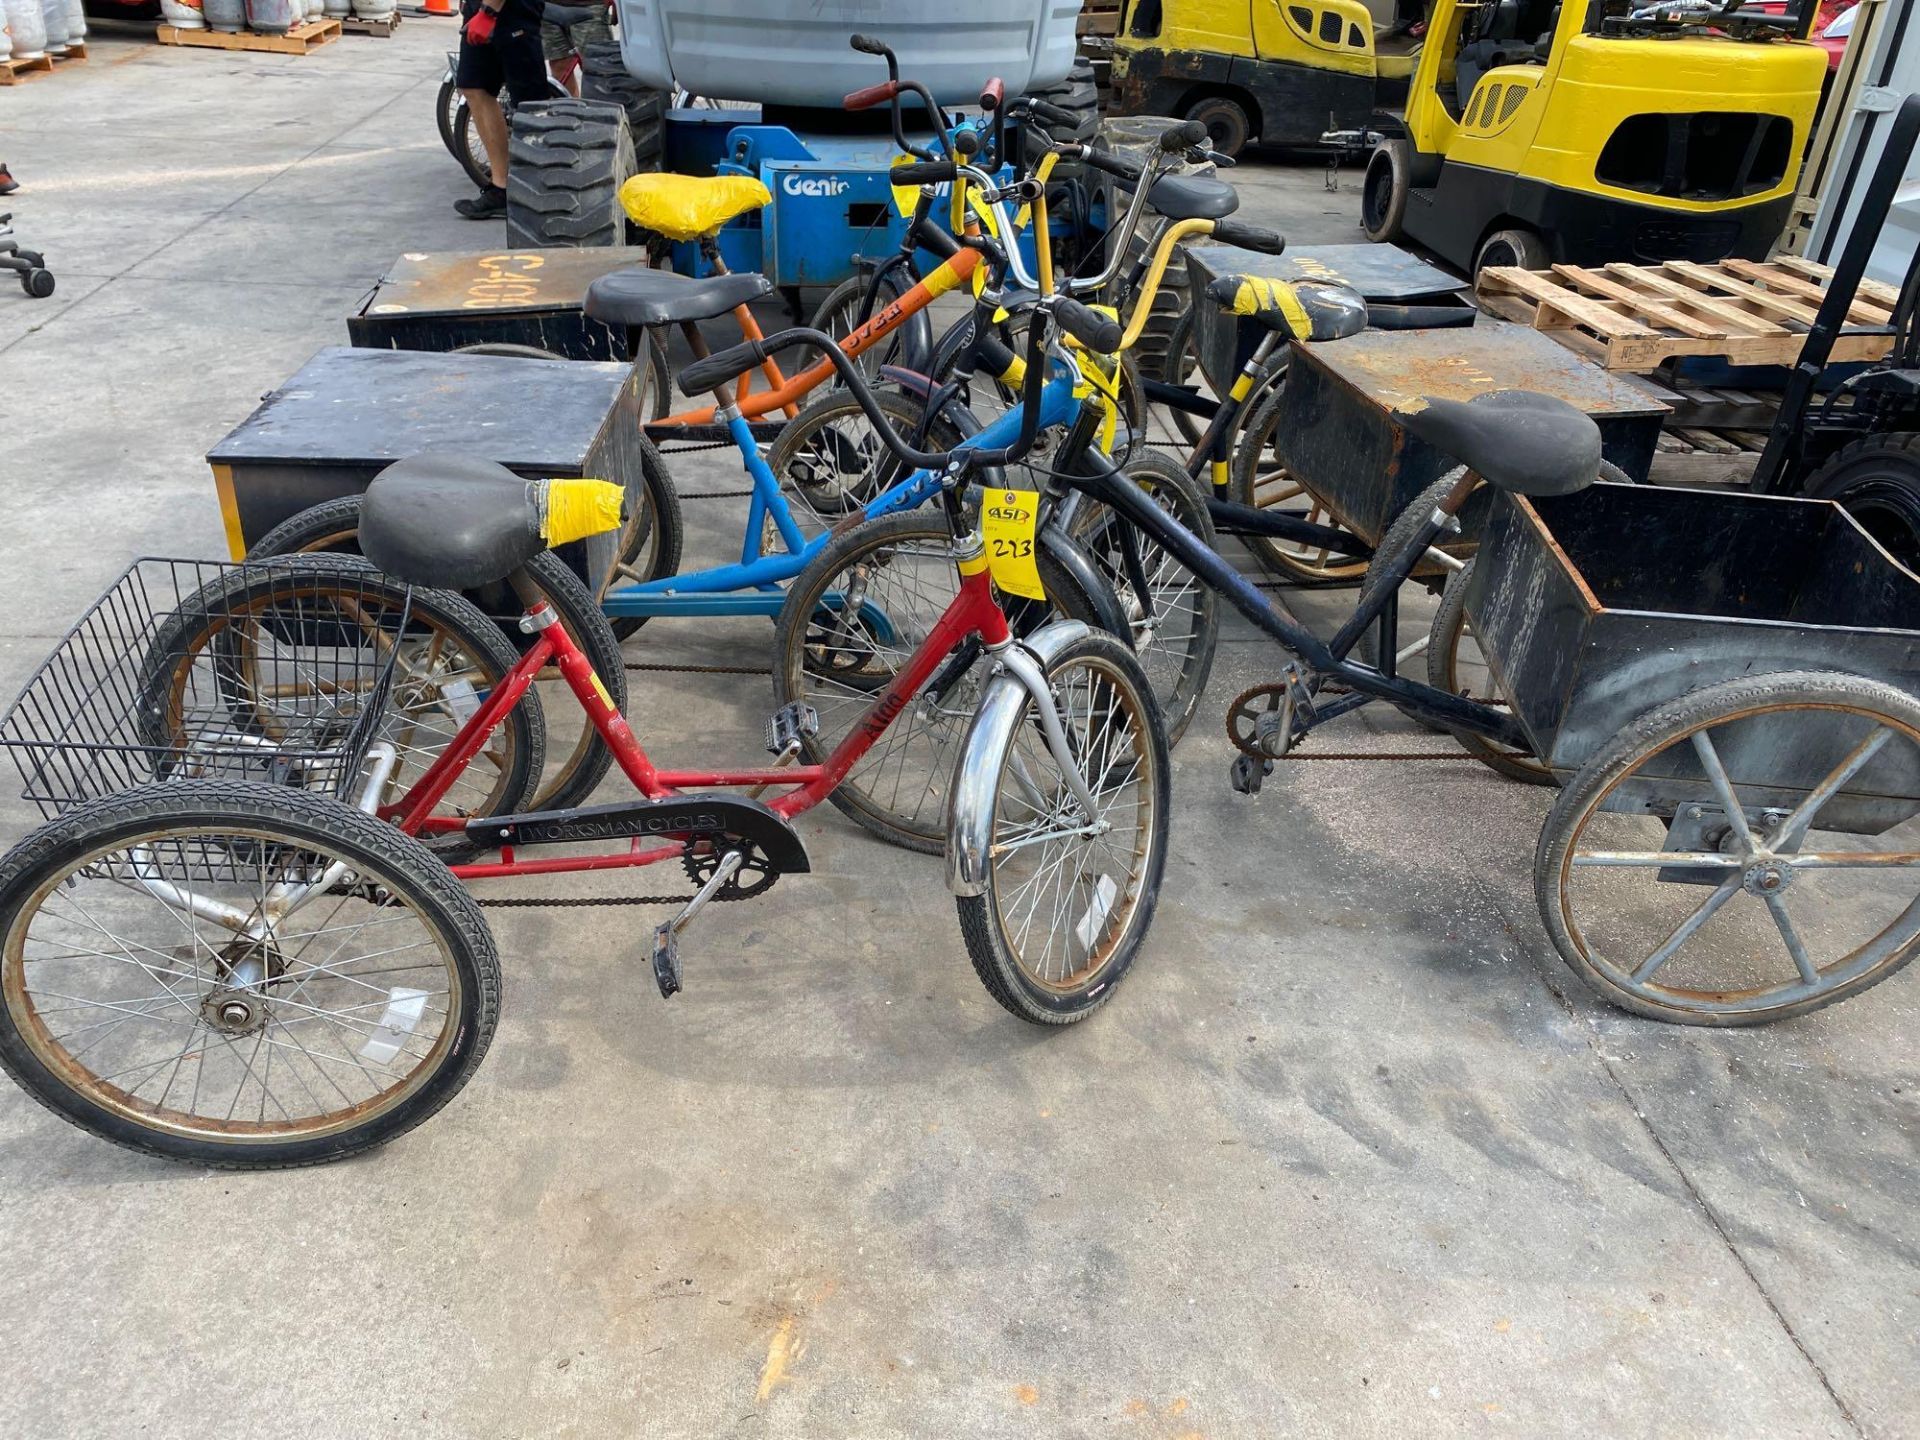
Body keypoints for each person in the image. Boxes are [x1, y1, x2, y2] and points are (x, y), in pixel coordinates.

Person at [454, 0, 548, 219]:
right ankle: (501, 188)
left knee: (530, 105)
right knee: (473, 86)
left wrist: (489, 12)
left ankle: (540, 188)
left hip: (510, 11)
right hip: (481, 9)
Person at [540, 2, 612, 96]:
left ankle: (602, 109)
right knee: (559, 65)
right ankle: (570, 108)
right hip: (547, 7)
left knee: (598, 70)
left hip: (590, 6)